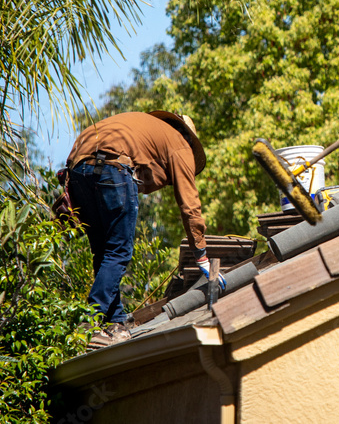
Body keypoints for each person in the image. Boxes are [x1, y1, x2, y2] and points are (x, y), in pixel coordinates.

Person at [66, 111, 223, 347]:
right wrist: (201, 253)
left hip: (77, 171)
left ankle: (114, 323)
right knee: (119, 251)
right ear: (188, 137)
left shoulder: (144, 128)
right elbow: (189, 204)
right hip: (113, 168)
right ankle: (88, 323)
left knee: (105, 252)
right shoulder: (180, 144)